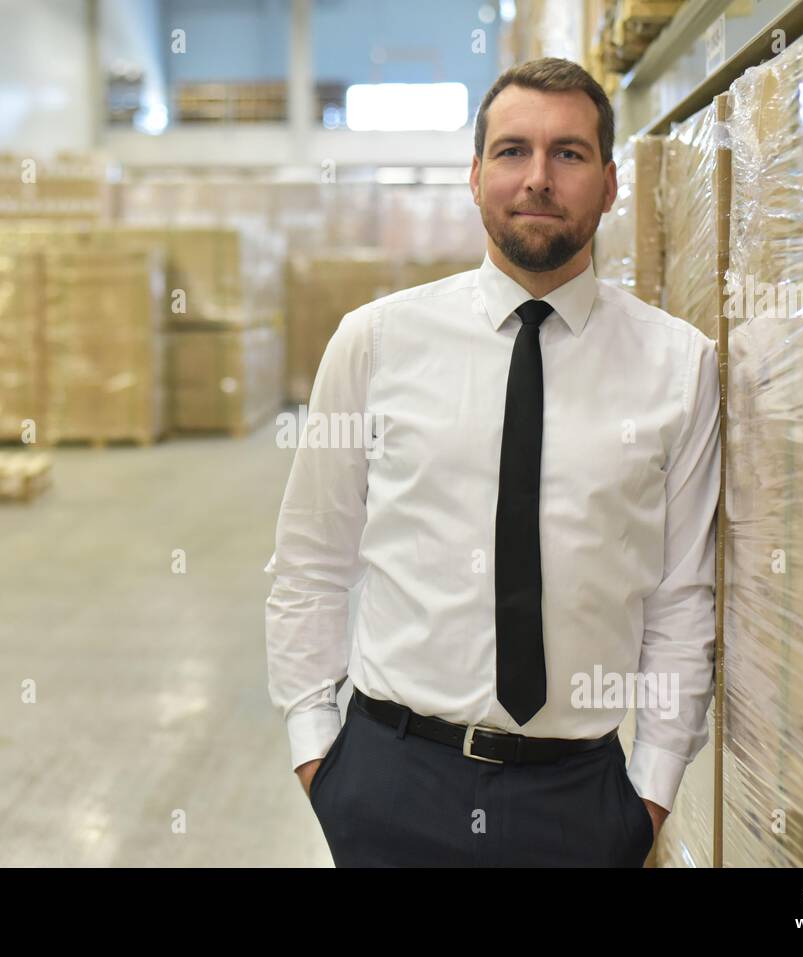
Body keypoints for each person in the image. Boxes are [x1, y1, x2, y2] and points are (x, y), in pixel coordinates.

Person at [264, 57, 719, 867]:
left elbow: (682, 599)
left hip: (581, 797)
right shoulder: (374, 342)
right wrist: (321, 761)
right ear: (475, 177)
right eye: (512, 151)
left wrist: (648, 793)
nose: (537, 178)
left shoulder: (678, 366)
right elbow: (309, 562)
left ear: (611, 182)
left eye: (569, 154)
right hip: (389, 779)